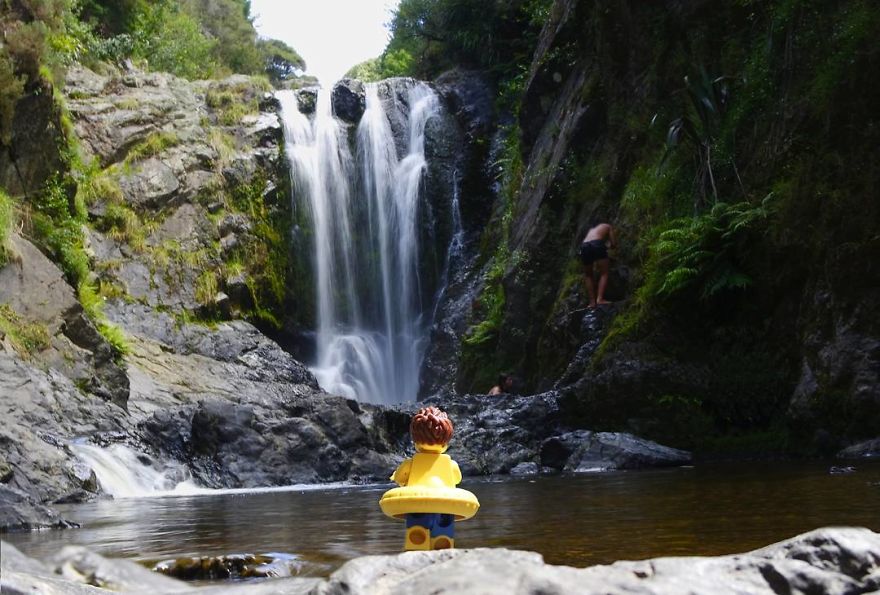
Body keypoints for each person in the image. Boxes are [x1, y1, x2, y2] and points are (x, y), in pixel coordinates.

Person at [579, 222, 617, 308]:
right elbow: (614, 244)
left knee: (588, 275)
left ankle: (592, 302)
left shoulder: (591, 230)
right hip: (597, 244)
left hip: (584, 246)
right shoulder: (607, 226)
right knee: (604, 273)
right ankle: (600, 299)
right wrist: (608, 246)